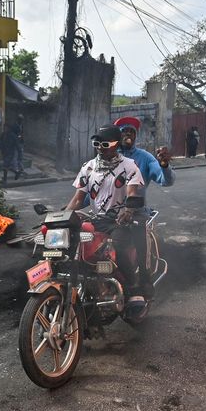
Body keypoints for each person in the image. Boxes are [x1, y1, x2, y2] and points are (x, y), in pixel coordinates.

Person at [65, 125, 146, 317]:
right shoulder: (88, 167)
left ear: (116, 145)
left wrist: (128, 209)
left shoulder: (129, 165)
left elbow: (132, 193)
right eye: (96, 144)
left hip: (119, 220)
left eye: (105, 144)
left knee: (119, 245)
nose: (100, 148)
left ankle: (133, 289)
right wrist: (62, 216)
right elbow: (78, 199)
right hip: (96, 220)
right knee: (74, 241)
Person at [113, 116, 174, 301]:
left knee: (139, 235)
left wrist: (164, 166)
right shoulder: (108, 157)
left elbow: (165, 180)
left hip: (136, 211)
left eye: (132, 131)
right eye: (124, 131)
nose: (128, 134)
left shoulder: (145, 158)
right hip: (110, 211)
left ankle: (144, 281)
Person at [1, 114, 25, 183]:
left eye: (6, 128)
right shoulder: (4, 134)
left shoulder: (12, 135)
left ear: (8, 128)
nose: (4, 129)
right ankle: (17, 172)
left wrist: (20, 152)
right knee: (7, 166)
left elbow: (17, 145)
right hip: (5, 152)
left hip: (10, 152)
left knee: (5, 166)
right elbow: (1, 141)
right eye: (4, 128)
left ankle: (5, 180)